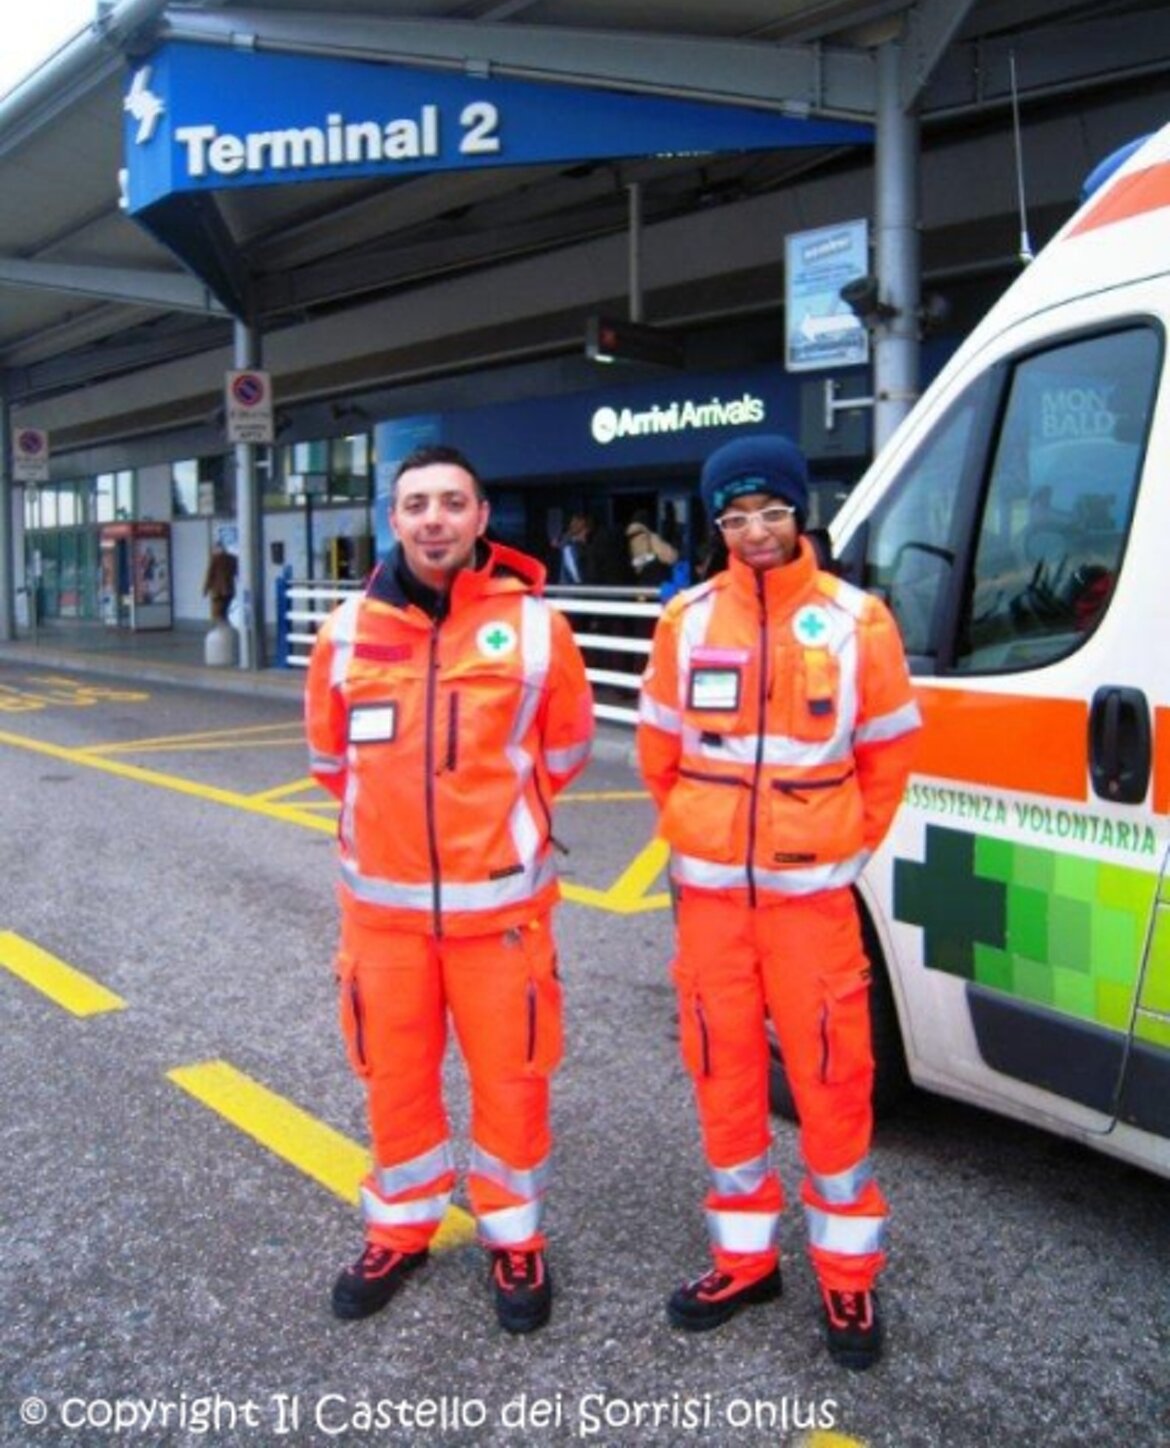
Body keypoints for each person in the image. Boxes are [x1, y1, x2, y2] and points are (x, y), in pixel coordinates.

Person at [635, 434, 920, 1371]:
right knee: (723, 1075)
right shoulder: (686, 621)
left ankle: (847, 1276)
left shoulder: (855, 621)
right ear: (716, 526)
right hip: (712, 903)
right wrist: (699, 829)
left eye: (770, 512)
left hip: (811, 906)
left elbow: (886, 757)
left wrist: (835, 845)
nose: (754, 531)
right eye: (735, 516)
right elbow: (659, 753)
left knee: (834, 1082)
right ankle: (744, 1258)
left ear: (801, 517)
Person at [305, 445, 594, 1336]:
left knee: (512, 1080)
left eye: (451, 503)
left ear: (480, 519)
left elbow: (564, 752)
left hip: (501, 915)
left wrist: (489, 834)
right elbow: (329, 761)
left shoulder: (538, 630)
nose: (434, 518)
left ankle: (514, 1236)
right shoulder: (344, 632)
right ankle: (401, 1226)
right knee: (394, 1079)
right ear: (392, 522)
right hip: (383, 920)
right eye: (416, 503)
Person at [625, 512, 677, 589]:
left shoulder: (624, 540)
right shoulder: (651, 537)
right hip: (653, 582)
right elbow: (671, 557)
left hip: (638, 583)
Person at [202, 541, 237, 622]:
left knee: (217, 614)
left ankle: (221, 631)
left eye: (214, 548)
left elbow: (209, 575)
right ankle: (227, 629)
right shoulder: (232, 559)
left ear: (217, 549)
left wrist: (205, 589)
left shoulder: (215, 559)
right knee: (225, 612)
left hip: (218, 592)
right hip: (229, 590)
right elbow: (236, 573)